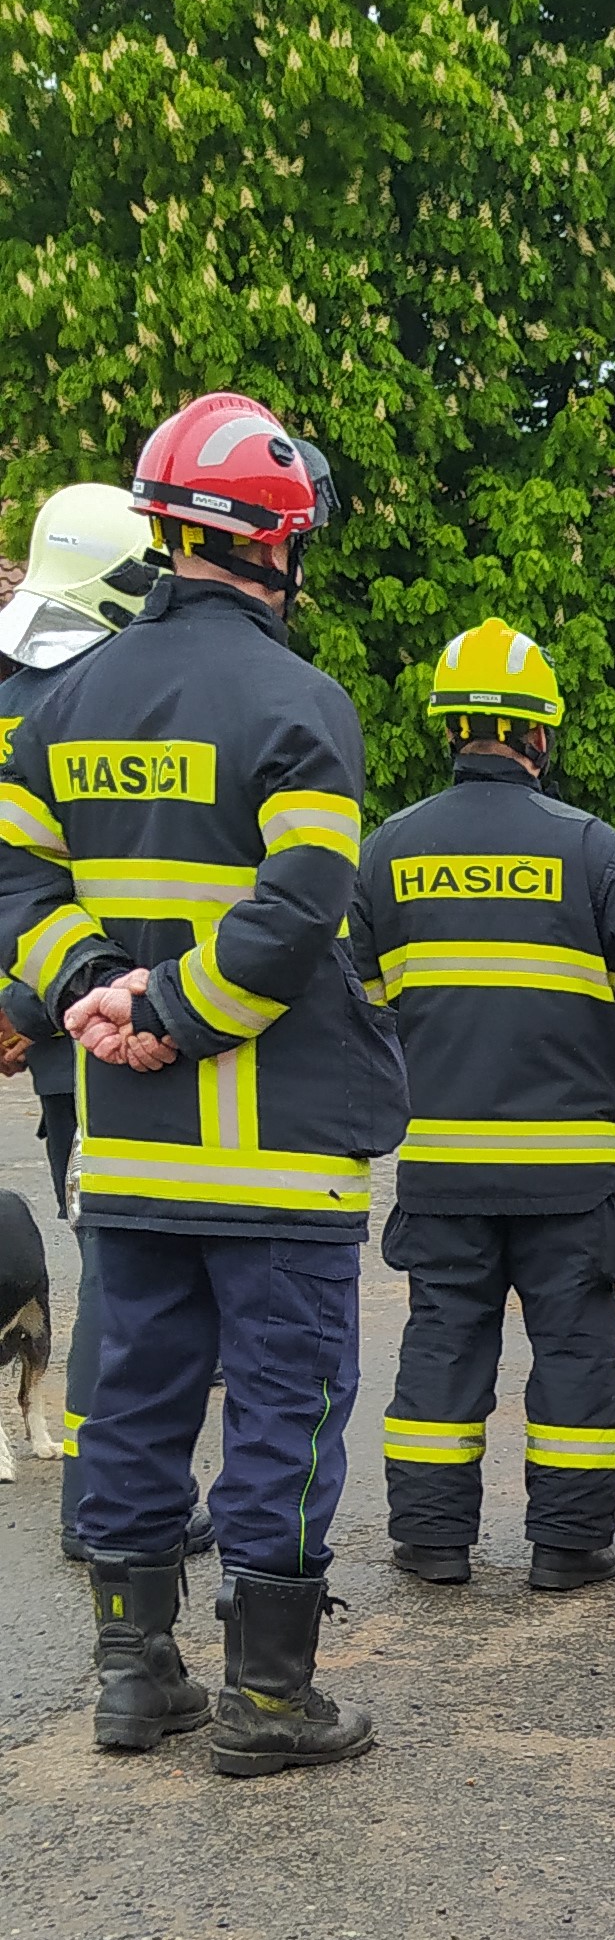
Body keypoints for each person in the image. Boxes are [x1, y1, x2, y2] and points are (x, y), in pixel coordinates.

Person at [0, 391, 405, 1771]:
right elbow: (300, 911)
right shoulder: (304, 705)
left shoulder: (62, 704)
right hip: (276, 1162)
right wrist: (172, 1008)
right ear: (280, 544)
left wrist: (87, 996)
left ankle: (134, 1681)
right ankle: (273, 1703)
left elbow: (18, 885)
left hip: (122, 1155)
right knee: (285, 1417)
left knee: (135, 1407)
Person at [352, 619, 615, 1589]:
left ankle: (429, 1539)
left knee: (440, 1348)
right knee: (575, 1353)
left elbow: (365, 1000)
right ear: (539, 736)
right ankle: (567, 1545)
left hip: (444, 1170)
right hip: (569, 1173)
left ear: (450, 730)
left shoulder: (388, 852)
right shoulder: (584, 849)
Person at [0, 482, 215, 1565]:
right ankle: (126, 1508)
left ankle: (109, 1499)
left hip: (49, 1027)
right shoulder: (104, 688)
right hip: (126, 1023)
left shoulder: (14, 683)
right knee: (137, 1278)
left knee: (112, 1269)